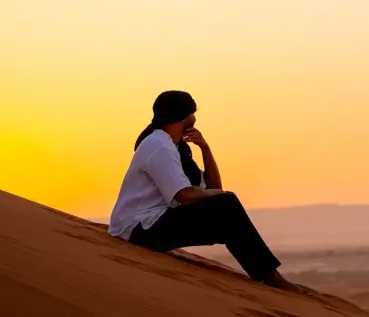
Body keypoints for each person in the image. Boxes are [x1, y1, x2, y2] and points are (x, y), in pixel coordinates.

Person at [108, 90, 298, 291]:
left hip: (151, 224)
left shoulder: (176, 148)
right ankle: (269, 276)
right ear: (184, 118)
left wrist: (205, 148)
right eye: (192, 113)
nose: (195, 118)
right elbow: (185, 195)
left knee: (227, 210)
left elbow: (213, 187)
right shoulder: (159, 146)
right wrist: (223, 196)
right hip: (137, 230)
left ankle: (267, 274)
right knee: (227, 205)